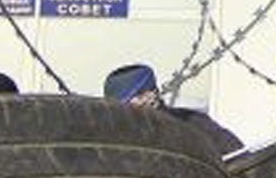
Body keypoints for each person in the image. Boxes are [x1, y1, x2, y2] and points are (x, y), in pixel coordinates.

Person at [103, 61, 243, 152]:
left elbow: (235, 156)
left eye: (145, 95)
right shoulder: (110, 139)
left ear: (152, 94)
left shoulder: (191, 123)